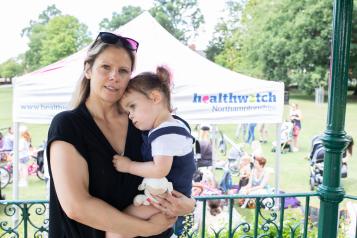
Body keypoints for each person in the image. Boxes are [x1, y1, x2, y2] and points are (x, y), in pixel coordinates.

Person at [46, 31, 195, 238]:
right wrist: (147, 229)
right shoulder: (68, 125)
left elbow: (180, 174)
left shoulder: (144, 124)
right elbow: (76, 206)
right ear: (88, 70)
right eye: (105, 67)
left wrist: (188, 205)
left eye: (123, 70)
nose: (114, 76)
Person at [108, 66, 196, 238]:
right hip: (165, 197)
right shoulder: (175, 125)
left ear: (155, 97)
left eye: (133, 107)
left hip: (163, 200)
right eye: (128, 111)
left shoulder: (165, 134)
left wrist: (129, 166)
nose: (130, 116)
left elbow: (159, 169)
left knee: (115, 231)